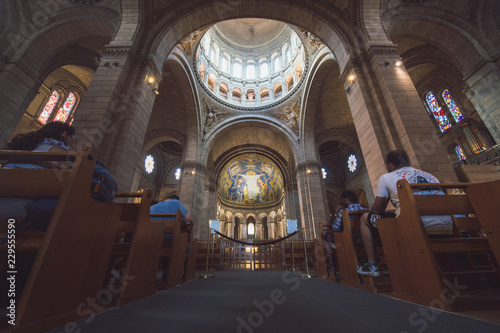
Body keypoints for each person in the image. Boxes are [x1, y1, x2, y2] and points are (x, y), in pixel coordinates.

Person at [356, 150, 452, 277]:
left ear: (391, 165)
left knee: (364, 218)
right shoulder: (430, 176)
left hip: (413, 228)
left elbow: (377, 211)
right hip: (446, 227)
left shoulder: (387, 177)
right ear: (408, 161)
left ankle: (372, 264)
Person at [0, 122, 77, 228]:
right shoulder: (57, 152)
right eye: (74, 140)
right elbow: (82, 173)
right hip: (22, 213)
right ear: (65, 135)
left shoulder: (22, 147)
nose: (73, 144)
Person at [150, 195, 193, 279]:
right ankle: (170, 270)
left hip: (151, 238)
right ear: (176, 199)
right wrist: (182, 219)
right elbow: (189, 219)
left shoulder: (153, 207)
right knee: (186, 248)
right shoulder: (176, 203)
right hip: (168, 239)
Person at [322, 191, 368, 270]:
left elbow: (335, 228)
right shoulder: (366, 209)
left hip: (348, 239)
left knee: (323, 235)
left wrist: (336, 214)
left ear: (346, 200)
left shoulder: (344, 212)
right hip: (364, 239)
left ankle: (331, 264)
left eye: (342, 200)